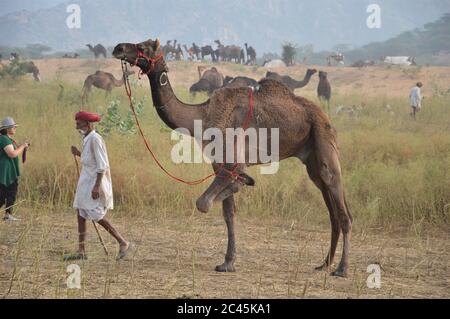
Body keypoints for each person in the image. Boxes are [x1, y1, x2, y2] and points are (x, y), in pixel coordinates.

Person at [64, 111, 131, 261]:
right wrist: (79, 153)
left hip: (94, 183)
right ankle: (81, 251)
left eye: (79, 123)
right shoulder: (87, 138)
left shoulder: (95, 139)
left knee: (96, 215)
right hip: (85, 182)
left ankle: (123, 242)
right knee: (81, 214)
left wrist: (96, 187)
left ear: (87, 124)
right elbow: (91, 160)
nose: (76, 126)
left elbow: (102, 165)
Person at [0, 117, 29, 221]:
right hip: (6, 171)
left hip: (8, 170)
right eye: (13, 127)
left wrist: (22, 146)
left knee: (6, 193)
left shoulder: (8, 139)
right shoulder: (4, 139)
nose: (15, 129)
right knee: (7, 192)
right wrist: (22, 147)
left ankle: (8, 214)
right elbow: (11, 154)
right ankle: (8, 214)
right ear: (7, 129)